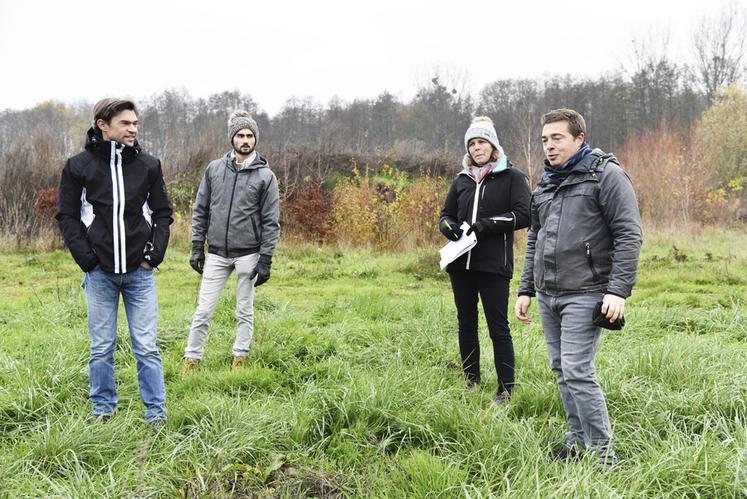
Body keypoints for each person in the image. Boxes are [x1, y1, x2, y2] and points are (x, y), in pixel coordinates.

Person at [515, 108, 642, 466]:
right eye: (544, 139)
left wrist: (617, 291)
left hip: (586, 291)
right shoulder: (546, 181)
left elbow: (629, 234)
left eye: (557, 138)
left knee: (577, 371)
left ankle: (604, 456)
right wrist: (526, 289)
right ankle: (576, 443)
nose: (549, 146)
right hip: (549, 293)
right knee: (560, 369)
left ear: (579, 138)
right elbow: (535, 238)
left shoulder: (606, 175)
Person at [56, 98, 173, 425]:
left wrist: (154, 256)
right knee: (102, 348)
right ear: (102, 125)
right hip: (100, 275)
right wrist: (87, 260)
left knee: (147, 347)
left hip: (140, 274)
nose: (133, 129)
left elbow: (163, 212)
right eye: (125, 123)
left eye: (135, 123)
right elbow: (67, 216)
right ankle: (102, 411)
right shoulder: (78, 166)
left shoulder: (149, 165)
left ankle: (156, 415)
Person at [439, 116, 531, 403]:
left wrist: (486, 224)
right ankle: (471, 379)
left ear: (493, 146)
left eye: (482, 142)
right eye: (472, 144)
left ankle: (505, 388)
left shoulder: (513, 177)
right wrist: (446, 227)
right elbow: (446, 214)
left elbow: (524, 215)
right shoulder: (461, 179)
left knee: (497, 326)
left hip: (493, 265)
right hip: (460, 265)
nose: (477, 148)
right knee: (466, 323)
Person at [183, 110, 280, 373]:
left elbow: (271, 222)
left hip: (249, 254)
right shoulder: (214, 170)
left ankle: (240, 357)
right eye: (240, 135)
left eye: (250, 135)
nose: (245, 140)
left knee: (244, 310)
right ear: (232, 139)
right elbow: (201, 209)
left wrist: (266, 260)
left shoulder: (266, 177)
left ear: (255, 139)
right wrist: (196, 247)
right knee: (203, 310)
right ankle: (191, 360)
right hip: (216, 254)